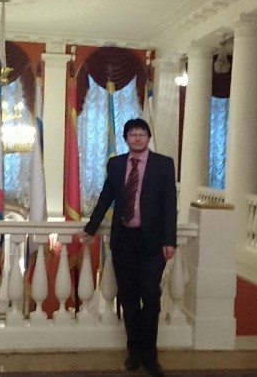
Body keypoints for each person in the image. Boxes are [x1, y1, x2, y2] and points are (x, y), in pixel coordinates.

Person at [80, 118, 177, 377]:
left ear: (148, 137)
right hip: (124, 240)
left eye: (142, 133)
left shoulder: (164, 164)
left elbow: (170, 204)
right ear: (126, 138)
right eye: (133, 134)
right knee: (129, 298)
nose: (137, 137)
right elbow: (106, 197)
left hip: (153, 242)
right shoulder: (116, 164)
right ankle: (134, 352)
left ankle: (150, 355)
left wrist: (170, 240)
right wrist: (91, 227)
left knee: (151, 295)